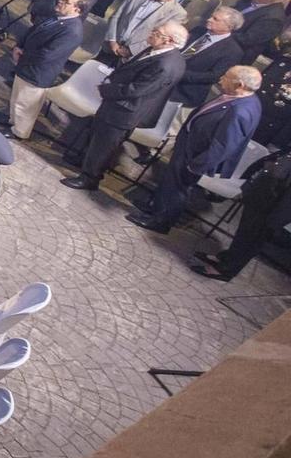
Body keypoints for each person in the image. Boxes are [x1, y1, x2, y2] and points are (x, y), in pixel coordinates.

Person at [128, 66, 263, 233]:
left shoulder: (241, 111)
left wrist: (197, 164)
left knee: (178, 188)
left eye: (226, 77)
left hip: (196, 155)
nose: (220, 78)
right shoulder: (236, 97)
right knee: (171, 181)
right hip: (189, 145)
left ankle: (161, 221)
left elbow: (223, 146)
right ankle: (156, 207)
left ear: (240, 85)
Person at [62, 21, 188, 191]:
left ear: (169, 40)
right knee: (99, 137)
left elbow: (137, 89)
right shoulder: (157, 49)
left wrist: (107, 89)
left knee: (105, 145)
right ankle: (85, 162)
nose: (151, 33)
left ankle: (89, 178)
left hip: (126, 109)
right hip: (119, 104)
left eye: (157, 33)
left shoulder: (165, 64)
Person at [192, 148, 291, 280]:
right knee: (245, 232)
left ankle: (226, 270)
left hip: (276, 205)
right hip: (266, 192)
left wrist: (278, 217)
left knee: (253, 238)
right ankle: (226, 258)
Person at [5, 0, 88, 139]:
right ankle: (12, 122)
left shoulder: (72, 31)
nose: (60, 2)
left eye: (66, 1)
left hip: (38, 71)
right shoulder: (57, 17)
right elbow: (34, 29)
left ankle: (20, 132)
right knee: (17, 97)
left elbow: (49, 54)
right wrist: (20, 46)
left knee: (26, 104)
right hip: (27, 63)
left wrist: (23, 54)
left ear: (77, 10)